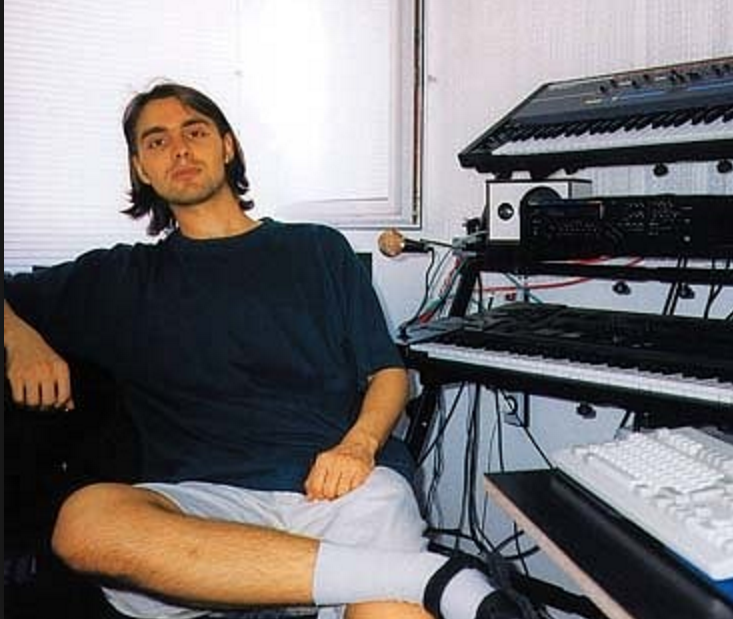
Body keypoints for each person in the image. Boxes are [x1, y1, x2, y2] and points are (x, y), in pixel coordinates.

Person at [3, 82, 525, 619]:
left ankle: (402, 583)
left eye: (194, 132)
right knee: (86, 522)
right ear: (141, 168)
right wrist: (20, 339)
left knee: (391, 614)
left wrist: (358, 447)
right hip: (203, 523)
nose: (179, 149)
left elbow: (387, 373)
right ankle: (428, 577)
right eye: (156, 142)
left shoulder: (317, 249)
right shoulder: (120, 279)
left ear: (227, 147)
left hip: (340, 492)